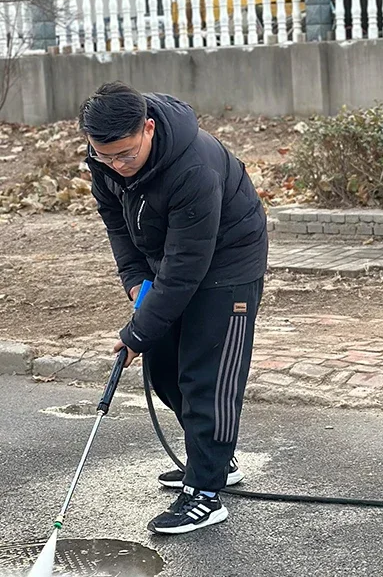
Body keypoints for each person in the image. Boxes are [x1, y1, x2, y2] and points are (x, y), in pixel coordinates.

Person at [79, 82, 268, 535]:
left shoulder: (192, 166)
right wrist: (136, 283)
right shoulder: (105, 164)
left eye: (125, 155)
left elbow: (189, 265)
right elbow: (118, 227)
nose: (117, 167)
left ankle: (205, 493)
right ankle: (218, 460)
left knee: (207, 377)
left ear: (147, 128)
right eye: (105, 156)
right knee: (164, 368)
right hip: (167, 260)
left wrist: (136, 333)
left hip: (227, 264)